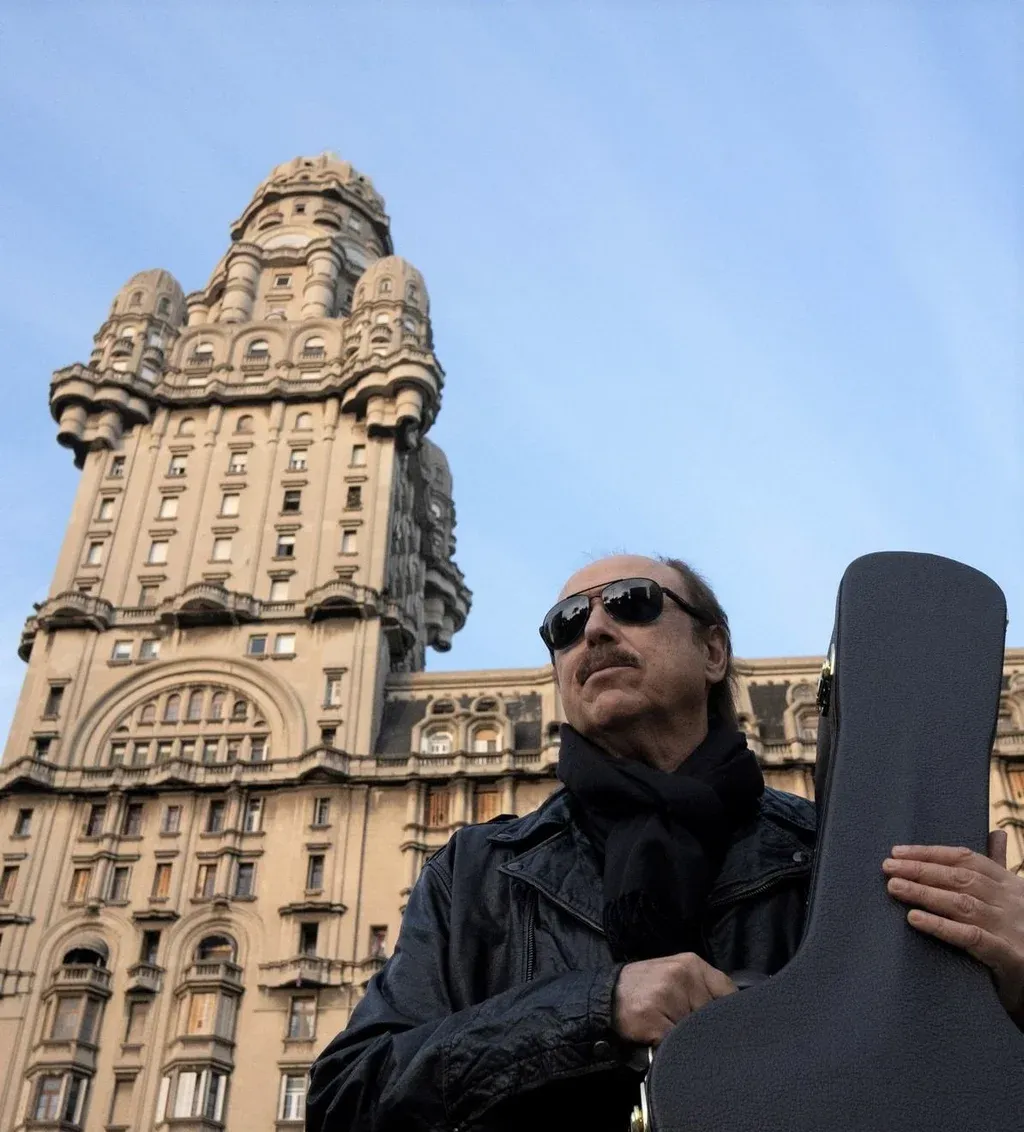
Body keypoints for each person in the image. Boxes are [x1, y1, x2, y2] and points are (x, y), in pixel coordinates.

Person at [307, 554, 1024, 1132]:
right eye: (565, 623)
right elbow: (347, 1098)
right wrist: (596, 1010)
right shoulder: (478, 873)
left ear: (713, 651)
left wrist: (1012, 989)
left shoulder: (841, 856)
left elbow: (941, 1087)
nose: (594, 629)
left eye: (632, 602)